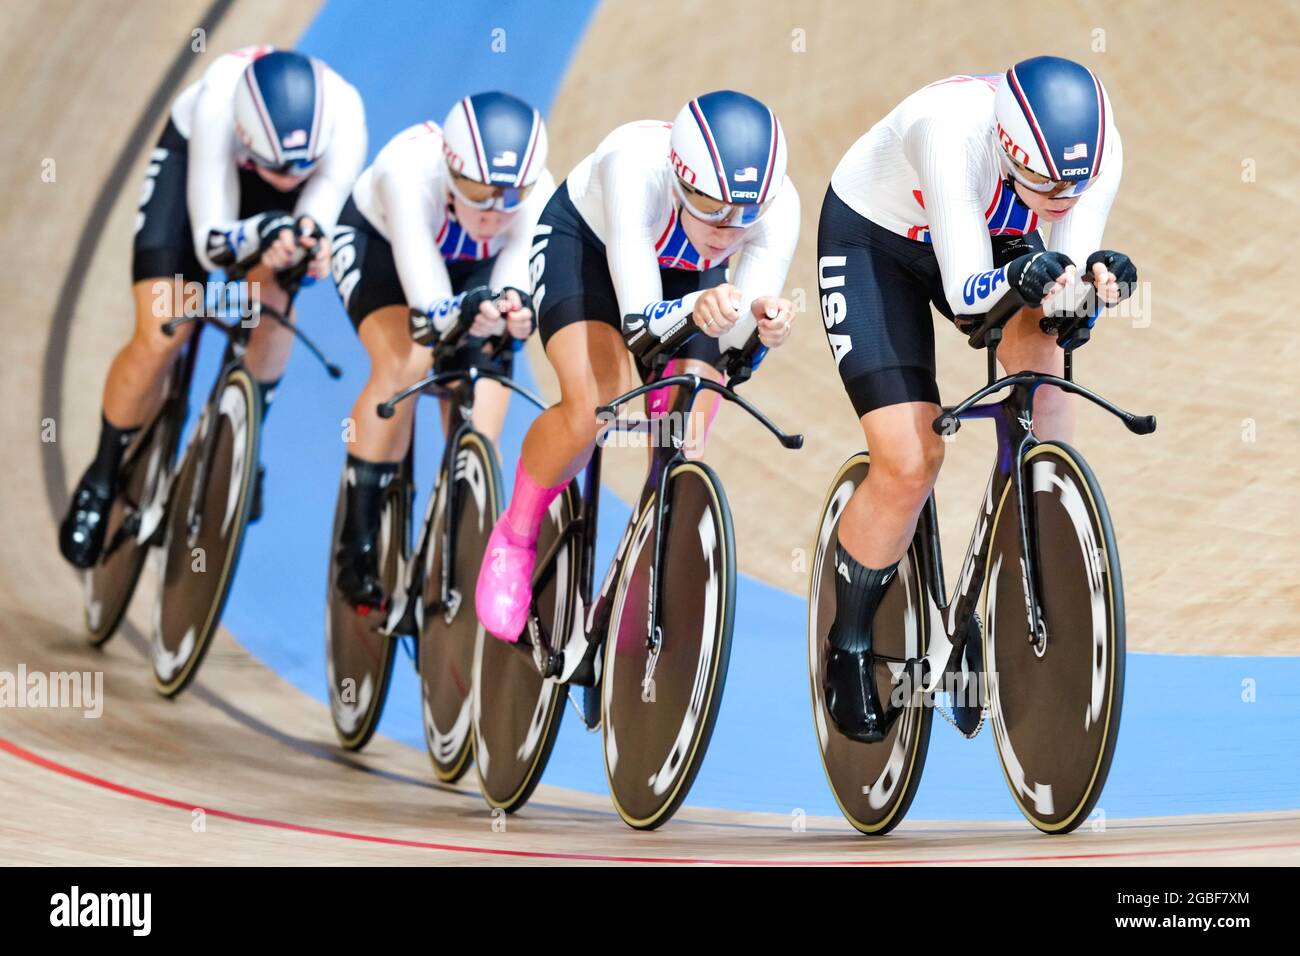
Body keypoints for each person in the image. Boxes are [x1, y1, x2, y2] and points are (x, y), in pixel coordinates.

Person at [815, 55, 1139, 740]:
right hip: (875, 240)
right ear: (1010, 150)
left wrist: (1091, 289)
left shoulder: (1094, 154)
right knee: (910, 460)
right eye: (1044, 185)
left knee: (1046, 392)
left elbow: (1063, 297)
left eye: (1071, 187)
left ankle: (1008, 591)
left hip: (984, 230)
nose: (1062, 200)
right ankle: (846, 642)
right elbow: (970, 302)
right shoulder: (951, 134)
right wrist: (1027, 274)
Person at [474, 89, 801, 643]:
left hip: (683, 278)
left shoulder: (776, 206)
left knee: (688, 418)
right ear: (679, 178)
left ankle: (651, 551)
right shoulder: (633, 166)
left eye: (745, 213)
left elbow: (733, 346)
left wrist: (762, 332)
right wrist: (698, 313)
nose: (728, 229)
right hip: (590, 254)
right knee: (597, 407)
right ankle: (516, 532)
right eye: (713, 208)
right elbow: (641, 326)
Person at [58, 46, 366, 567]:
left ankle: (245, 435)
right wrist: (259, 233)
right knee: (165, 327)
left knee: (271, 301)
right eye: (279, 169)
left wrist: (308, 245)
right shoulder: (218, 105)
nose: (289, 178)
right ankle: (103, 475)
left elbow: (318, 210)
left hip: (280, 201)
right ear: (249, 138)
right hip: (198, 175)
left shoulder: (346, 117)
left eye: (301, 169)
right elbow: (210, 243)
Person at [329, 92, 552, 610]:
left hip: (472, 270)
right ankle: (356, 543)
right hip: (383, 248)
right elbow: (430, 310)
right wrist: (466, 312)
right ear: (451, 170)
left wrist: (515, 311)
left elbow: (516, 286)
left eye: (510, 196)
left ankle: (458, 528)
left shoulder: (541, 192)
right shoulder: (407, 173)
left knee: (482, 404)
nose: (494, 212)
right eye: (477, 192)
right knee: (407, 362)